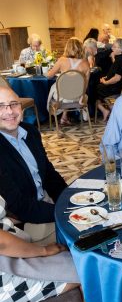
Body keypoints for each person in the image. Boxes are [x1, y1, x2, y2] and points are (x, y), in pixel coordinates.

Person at [0, 195, 93, 302]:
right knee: (90, 270)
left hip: (10, 258)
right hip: (5, 277)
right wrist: (43, 251)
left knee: (69, 257)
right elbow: (2, 243)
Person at [0, 86, 67, 224]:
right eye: (0, 106)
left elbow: (49, 174)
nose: (10, 111)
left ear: (21, 106)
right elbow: (18, 205)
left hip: (43, 202)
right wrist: (63, 213)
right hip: (20, 220)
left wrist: (69, 199)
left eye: (14, 104)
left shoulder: (30, 131)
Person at [47, 37, 90, 125]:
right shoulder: (86, 63)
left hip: (62, 96)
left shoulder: (62, 60)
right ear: (81, 48)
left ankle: (53, 118)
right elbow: (86, 84)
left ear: (67, 47)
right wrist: (82, 97)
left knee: (56, 89)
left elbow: (49, 76)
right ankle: (64, 117)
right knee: (70, 89)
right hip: (77, 96)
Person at [96, 38, 122, 122]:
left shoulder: (120, 60)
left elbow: (117, 78)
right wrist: (106, 77)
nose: (112, 48)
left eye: (115, 47)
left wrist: (106, 82)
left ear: (121, 49)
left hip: (116, 87)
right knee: (97, 87)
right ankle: (109, 109)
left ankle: (109, 110)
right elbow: (117, 71)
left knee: (93, 89)